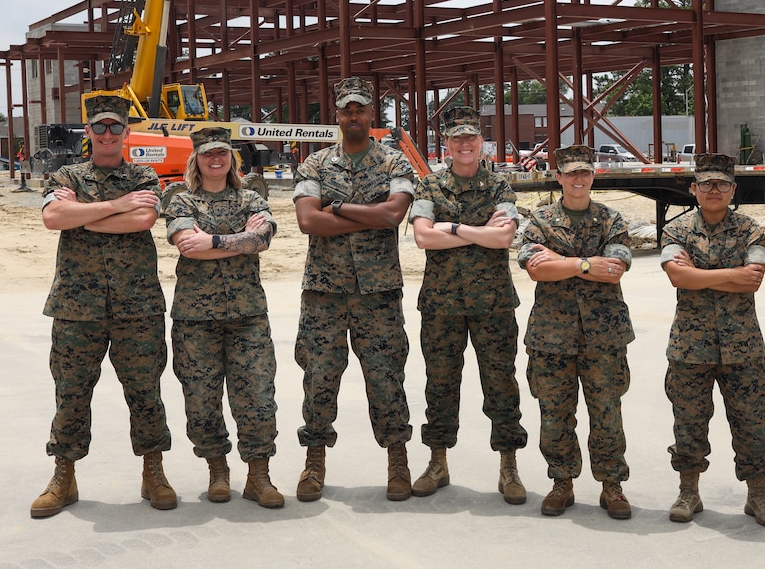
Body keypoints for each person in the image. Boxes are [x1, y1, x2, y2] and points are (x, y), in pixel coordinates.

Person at [31, 95, 176, 518]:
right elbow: (53, 218)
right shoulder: (67, 173)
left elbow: (143, 221)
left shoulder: (144, 174)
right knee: (71, 394)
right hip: (77, 304)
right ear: (89, 132)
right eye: (100, 127)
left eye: (115, 127)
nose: (108, 134)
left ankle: (154, 471)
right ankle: (64, 475)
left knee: (146, 391)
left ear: (127, 132)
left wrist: (81, 212)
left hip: (137, 304)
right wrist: (115, 205)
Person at [292, 76, 416, 502]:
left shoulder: (394, 163)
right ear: (337, 114)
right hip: (324, 293)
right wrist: (371, 213)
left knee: (386, 379)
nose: (353, 115)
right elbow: (309, 221)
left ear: (371, 114)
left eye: (360, 108)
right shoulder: (315, 164)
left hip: (378, 294)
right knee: (319, 378)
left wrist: (340, 208)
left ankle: (398, 461)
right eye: (346, 109)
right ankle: (314, 461)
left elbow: (393, 216)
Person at [408, 105, 527, 504]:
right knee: (440, 384)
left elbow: (504, 239)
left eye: (470, 138)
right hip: (441, 305)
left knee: (501, 384)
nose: (464, 144)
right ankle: (437, 462)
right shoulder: (430, 187)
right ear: (447, 143)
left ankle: (509, 466)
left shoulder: (500, 188)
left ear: (481, 143)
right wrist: (479, 233)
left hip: (493, 303)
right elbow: (423, 237)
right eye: (456, 138)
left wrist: (453, 228)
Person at [660, 153, 765, 527]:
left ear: (733, 189)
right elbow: (678, 278)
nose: (715, 190)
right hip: (689, 347)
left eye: (722, 184)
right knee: (689, 422)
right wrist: (730, 275)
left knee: (752, 422)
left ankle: (757, 495)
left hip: (742, 346)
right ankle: (689, 491)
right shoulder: (676, 231)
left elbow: (754, 278)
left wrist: (702, 274)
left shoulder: (751, 229)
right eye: (707, 184)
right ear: (694, 189)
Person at [165, 127, 283, 508]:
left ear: (232, 158)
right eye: (207, 154)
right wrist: (237, 243)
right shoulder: (182, 201)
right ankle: (217, 471)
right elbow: (187, 245)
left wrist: (213, 241)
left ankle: (258, 476)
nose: (215, 159)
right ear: (196, 160)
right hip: (195, 319)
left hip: (247, 315)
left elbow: (262, 239)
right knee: (200, 399)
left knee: (258, 399)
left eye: (222, 153)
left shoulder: (251, 197)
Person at [518, 144, 634, 520]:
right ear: (559, 177)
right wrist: (587, 264)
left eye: (585, 172)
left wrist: (564, 262)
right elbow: (537, 270)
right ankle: (561, 482)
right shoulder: (539, 221)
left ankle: (612, 485)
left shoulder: (612, 220)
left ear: (593, 176)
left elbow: (614, 268)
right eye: (571, 173)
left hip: (604, 336)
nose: (578, 179)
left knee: (607, 413)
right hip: (552, 337)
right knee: (554, 414)